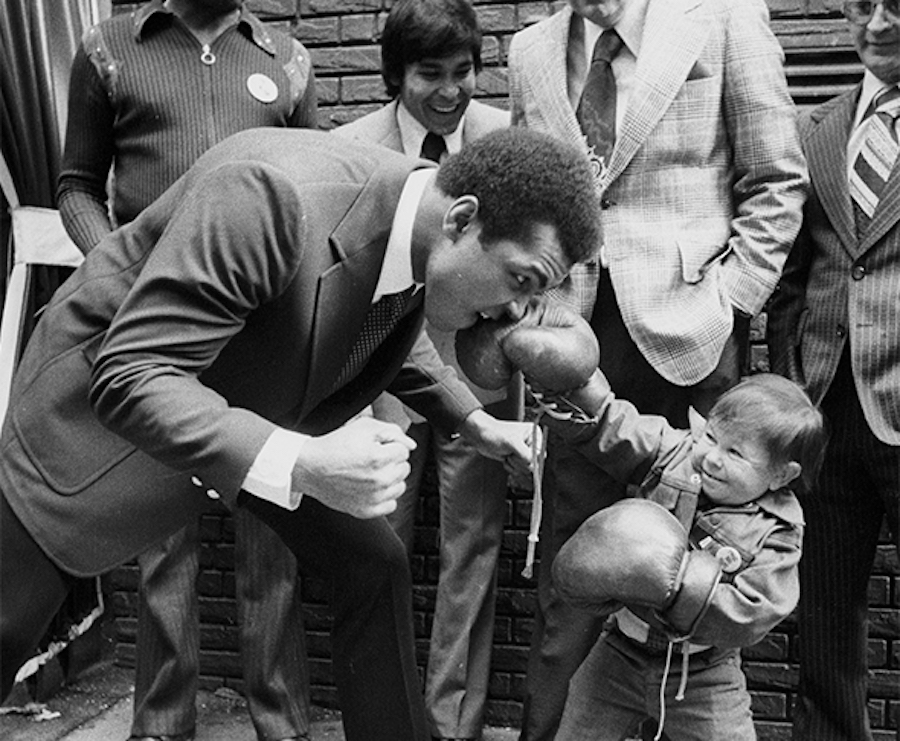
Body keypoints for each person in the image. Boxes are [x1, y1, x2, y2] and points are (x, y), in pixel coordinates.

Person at [0, 126, 602, 741]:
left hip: (249, 411)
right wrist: (306, 461)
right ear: (464, 221)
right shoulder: (271, 198)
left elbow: (387, 318)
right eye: (522, 281)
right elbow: (130, 376)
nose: (512, 315)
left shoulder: (417, 222)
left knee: (371, 564)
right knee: (6, 627)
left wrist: (473, 422)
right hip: (89, 430)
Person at [506, 0, 809, 736]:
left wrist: (728, 300)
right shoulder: (530, 50)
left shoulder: (725, 17)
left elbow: (776, 178)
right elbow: (526, 195)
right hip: (575, 347)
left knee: (706, 569)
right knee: (568, 582)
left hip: (694, 350)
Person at [56, 2, 318, 739]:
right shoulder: (110, 50)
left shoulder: (287, 58)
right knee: (162, 536)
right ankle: (163, 724)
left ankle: (282, 721)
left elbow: (313, 186)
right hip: (159, 331)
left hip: (264, 334)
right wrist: (122, 272)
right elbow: (77, 183)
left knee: (271, 529)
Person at [333, 1, 511, 737]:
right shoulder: (350, 145)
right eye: (429, 75)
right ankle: (391, 716)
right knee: (382, 545)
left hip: (478, 368)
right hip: (383, 366)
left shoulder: (504, 139)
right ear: (394, 75)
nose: (449, 91)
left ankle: (452, 724)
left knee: (472, 545)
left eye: (463, 72)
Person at [539, 370, 826, 741]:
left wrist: (678, 587)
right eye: (710, 436)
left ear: (781, 475)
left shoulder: (778, 534)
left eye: (735, 453)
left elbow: (757, 609)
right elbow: (618, 428)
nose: (711, 458)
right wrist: (570, 391)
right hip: (618, 656)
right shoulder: (676, 452)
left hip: (704, 675)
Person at [766, 2, 900, 738]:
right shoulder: (813, 129)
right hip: (824, 407)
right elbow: (792, 279)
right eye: (861, 5)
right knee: (820, 614)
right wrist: (788, 389)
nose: (876, 23)